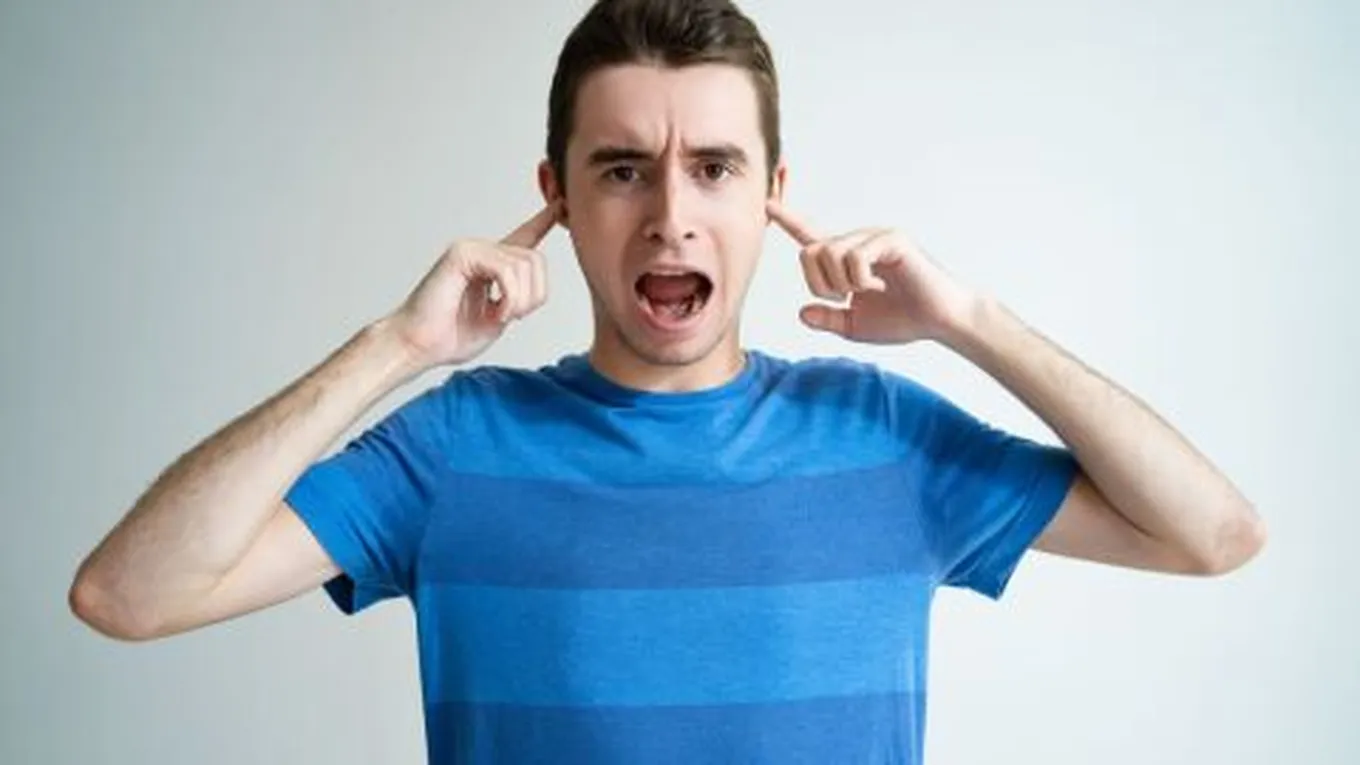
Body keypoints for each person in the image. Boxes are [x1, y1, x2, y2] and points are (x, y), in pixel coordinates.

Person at [68, 0, 1266, 762]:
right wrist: (395, 346)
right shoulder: (454, 446)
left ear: (773, 193)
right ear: (557, 196)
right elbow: (128, 596)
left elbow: (1209, 535)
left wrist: (969, 320)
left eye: (715, 168)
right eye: (624, 169)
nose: (671, 217)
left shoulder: (884, 439)